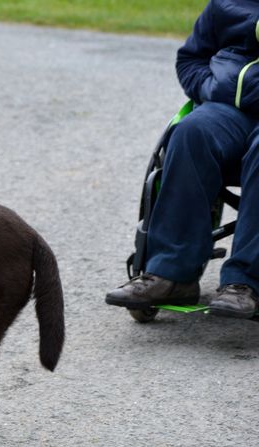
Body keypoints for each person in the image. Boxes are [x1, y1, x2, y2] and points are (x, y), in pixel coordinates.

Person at [106, 0, 259, 319]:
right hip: (230, 112)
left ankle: (245, 283)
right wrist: (210, 87)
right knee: (191, 132)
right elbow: (191, 58)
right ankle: (172, 274)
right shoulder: (228, 4)